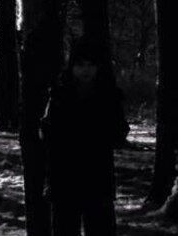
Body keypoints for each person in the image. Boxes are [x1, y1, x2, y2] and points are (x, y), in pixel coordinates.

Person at [41, 42, 130, 236]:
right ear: (72, 67)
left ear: (98, 67)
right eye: (81, 65)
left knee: (100, 227)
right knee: (65, 228)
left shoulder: (109, 96)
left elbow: (120, 133)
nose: (86, 71)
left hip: (98, 175)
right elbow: (47, 133)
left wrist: (102, 135)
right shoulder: (59, 95)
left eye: (90, 65)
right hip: (65, 174)